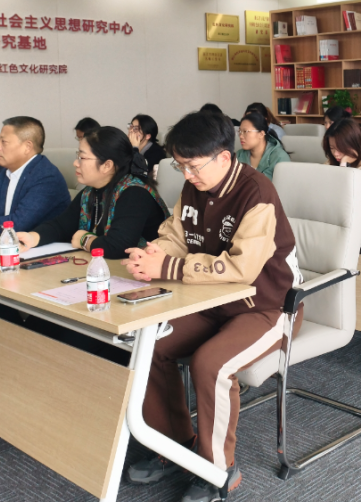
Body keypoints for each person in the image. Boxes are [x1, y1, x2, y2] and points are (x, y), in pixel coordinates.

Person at [121, 111, 302, 502]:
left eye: (193, 166)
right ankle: (173, 445)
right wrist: (152, 254)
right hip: (211, 302)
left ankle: (216, 468)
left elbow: (242, 269)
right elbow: (175, 236)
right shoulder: (194, 187)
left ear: (224, 157)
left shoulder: (257, 193)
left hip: (266, 307)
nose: (186, 175)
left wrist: (168, 268)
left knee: (211, 365)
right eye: (180, 166)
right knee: (151, 344)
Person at [18, 127, 168, 259]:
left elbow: (118, 246)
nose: (75, 163)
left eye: (82, 158)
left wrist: (84, 240)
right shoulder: (90, 192)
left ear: (107, 165)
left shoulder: (135, 194)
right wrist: (32, 238)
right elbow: (61, 226)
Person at [324, 118, 361, 203]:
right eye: (332, 148)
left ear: (354, 144)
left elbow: (349, 198)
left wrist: (343, 164)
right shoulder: (330, 162)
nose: (336, 154)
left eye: (340, 148)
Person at [234, 112, 290, 180]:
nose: (241, 136)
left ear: (261, 134)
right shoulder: (239, 155)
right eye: (239, 132)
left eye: (245, 131)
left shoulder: (279, 157)